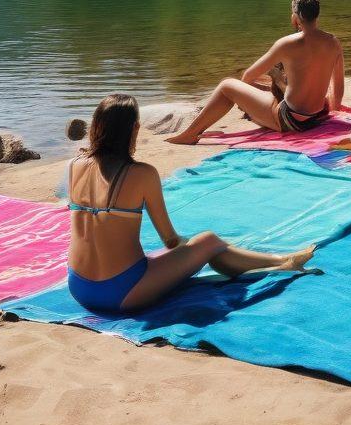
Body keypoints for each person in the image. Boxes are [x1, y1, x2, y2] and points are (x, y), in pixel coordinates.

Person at [67, 93, 316, 314]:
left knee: (205, 247)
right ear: (134, 129)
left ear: (96, 126)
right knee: (208, 241)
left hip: (79, 286)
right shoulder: (142, 174)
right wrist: (191, 250)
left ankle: (279, 261)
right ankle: (281, 261)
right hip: (121, 291)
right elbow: (170, 240)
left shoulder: (73, 167)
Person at [167, 0, 344, 145]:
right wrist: (329, 115)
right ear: (317, 15)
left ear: (295, 17)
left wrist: (254, 100)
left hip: (290, 120)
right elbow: (338, 91)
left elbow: (248, 76)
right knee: (273, 82)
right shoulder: (334, 43)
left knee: (227, 85)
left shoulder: (286, 44)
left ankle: (190, 134)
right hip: (316, 117)